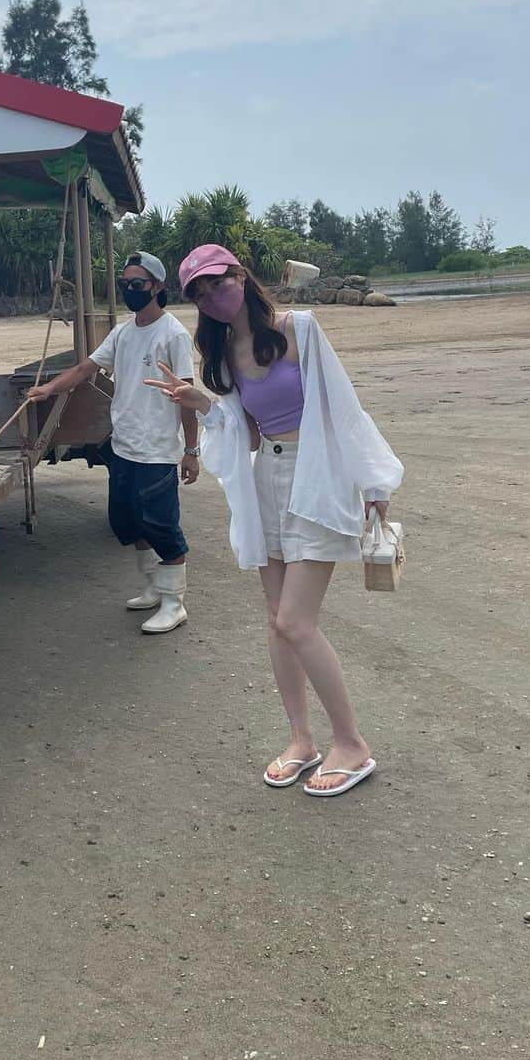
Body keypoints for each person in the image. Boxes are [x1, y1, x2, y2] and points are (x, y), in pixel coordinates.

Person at [146, 244, 403, 796]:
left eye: (218, 283)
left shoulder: (299, 328)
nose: (212, 298)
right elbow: (244, 428)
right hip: (270, 481)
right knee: (275, 619)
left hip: (318, 478)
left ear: (240, 275)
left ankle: (352, 745)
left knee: (295, 621)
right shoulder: (222, 352)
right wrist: (201, 401)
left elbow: (343, 405)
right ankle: (302, 740)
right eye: (199, 293)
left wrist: (374, 482)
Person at [27, 251, 199, 633]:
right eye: (124, 285)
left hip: (156, 450)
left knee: (161, 525)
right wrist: (50, 389)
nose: (129, 291)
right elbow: (86, 368)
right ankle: (154, 588)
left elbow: (187, 396)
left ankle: (175, 603)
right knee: (128, 522)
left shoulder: (173, 334)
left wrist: (191, 451)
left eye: (137, 284)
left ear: (156, 287)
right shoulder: (123, 331)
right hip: (123, 446)